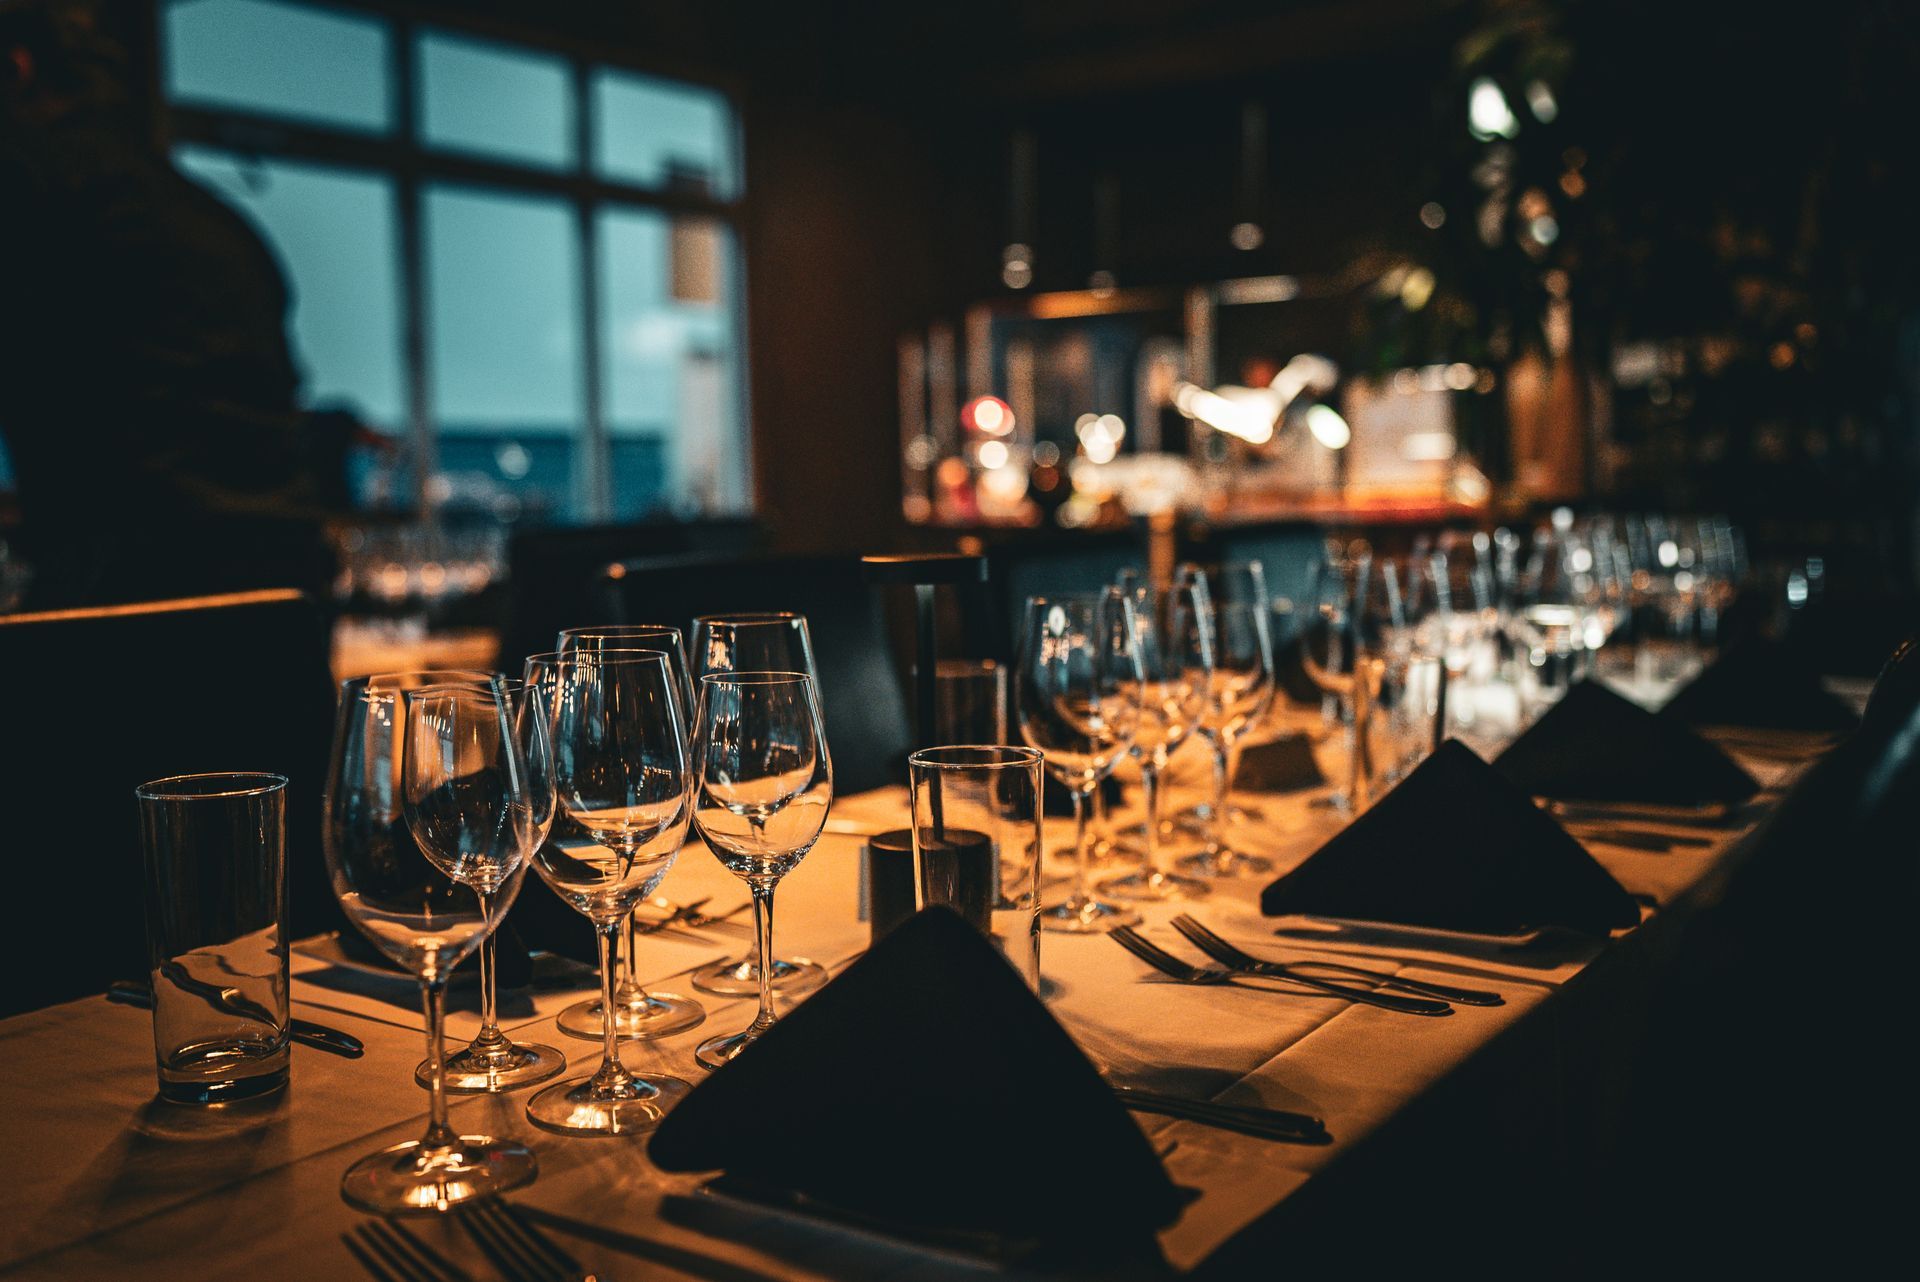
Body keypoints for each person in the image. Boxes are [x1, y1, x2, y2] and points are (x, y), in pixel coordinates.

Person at [0, 0, 355, 608]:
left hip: (125, 601)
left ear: (17, 68)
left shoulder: (31, 193)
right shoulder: (213, 220)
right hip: (280, 592)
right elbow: (276, 402)